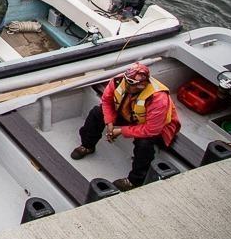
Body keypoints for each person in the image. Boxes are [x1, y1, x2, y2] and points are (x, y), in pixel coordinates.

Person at [70, 63, 181, 191]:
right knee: (97, 112)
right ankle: (87, 146)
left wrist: (121, 131)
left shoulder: (158, 99)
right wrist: (109, 122)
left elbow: (152, 129)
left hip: (157, 127)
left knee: (144, 144)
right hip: (131, 114)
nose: (128, 86)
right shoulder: (118, 81)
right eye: (127, 82)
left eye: (133, 84)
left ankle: (134, 180)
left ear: (143, 84)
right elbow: (107, 101)